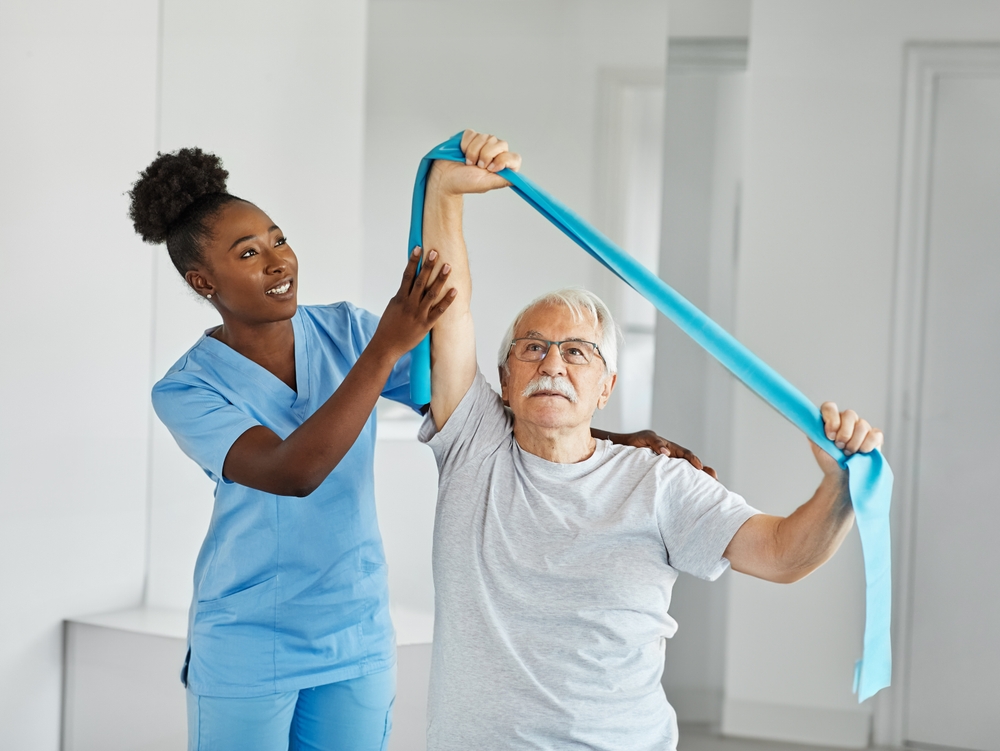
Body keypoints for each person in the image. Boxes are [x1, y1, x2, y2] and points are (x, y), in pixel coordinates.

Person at [127, 146, 701, 751]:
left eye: (278, 240)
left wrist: (607, 436)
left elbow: (471, 413)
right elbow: (292, 470)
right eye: (248, 254)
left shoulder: (343, 329)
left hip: (355, 633)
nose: (278, 262)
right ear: (202, 281)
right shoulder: (188, 387)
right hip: (249, 642)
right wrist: (386, 345)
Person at [416, 131, 884, 751]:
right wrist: (446, 192)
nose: (552, 364)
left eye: (577, 352)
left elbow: (781, 555)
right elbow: (448, 311)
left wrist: (838, 487)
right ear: (504, 379)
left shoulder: (659, 482)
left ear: (606, 385)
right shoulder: (474, 447)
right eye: (532, 349)